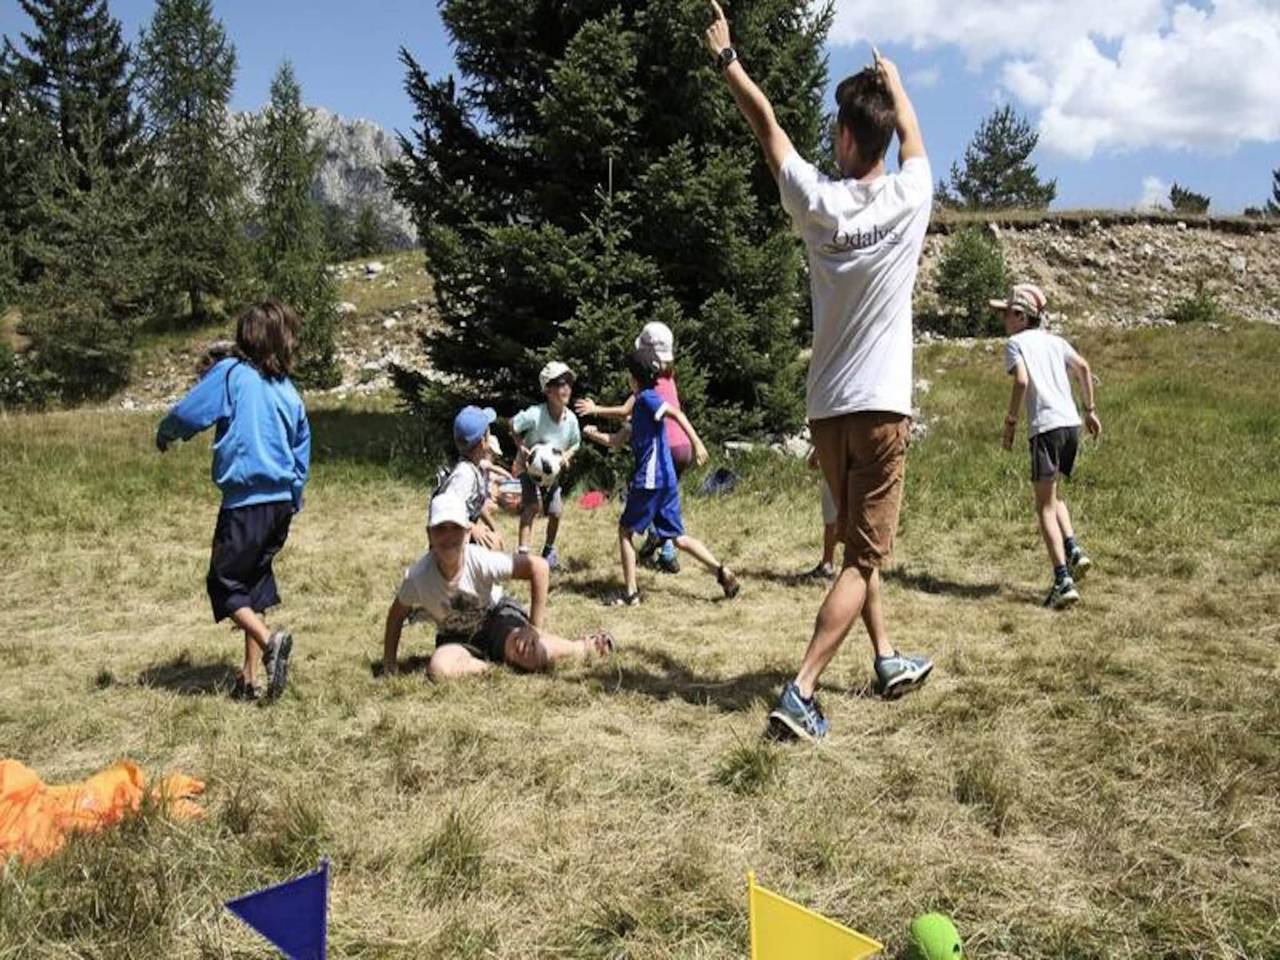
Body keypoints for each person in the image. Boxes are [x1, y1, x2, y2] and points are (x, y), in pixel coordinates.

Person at [704, 1, 933, 741]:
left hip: (827, 410)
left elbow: (767, 127)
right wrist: (895, 83)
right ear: (882, 135)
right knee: (863, 559)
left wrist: (728, 60)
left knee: (860, 548)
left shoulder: (817, 203)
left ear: (844, 138)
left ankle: (886, 658)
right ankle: (801, 690)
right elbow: (914, 140)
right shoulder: (912, 195)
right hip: (883, 409)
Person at [155, 301, 310, 702]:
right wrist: (293, 497)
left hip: (245, 503)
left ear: (247, 336)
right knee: (253, 586)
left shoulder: (230, 374)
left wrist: (166, 432)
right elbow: (301, 450)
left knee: (223, 584)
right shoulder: (288, 391)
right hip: (280, 505)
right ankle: (248, 678)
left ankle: (270, 641)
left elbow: (189, 413)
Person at [381, 492, 614, 680]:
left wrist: (534, 628)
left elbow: (539, 567)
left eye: (455, 528)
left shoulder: (480, 560)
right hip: (454, 638)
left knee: (528, 654)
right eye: (440, 528)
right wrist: (389, 663)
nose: (448, 536)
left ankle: (583, 647)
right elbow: (396, 616)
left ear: (467, 533)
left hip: (496, 619)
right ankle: (491, 666)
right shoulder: (417, 577)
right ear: (429, 534)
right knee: (439, 669)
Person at [583, 351, 740, 605]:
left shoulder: (647, 398)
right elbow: (616, 441)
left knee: (625, 531)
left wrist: (697, 442)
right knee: (678, 538)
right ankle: (722, 572)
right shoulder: (640, 407)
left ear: (633, 379)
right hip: (666, 479)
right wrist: (593, 435)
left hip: (650, 478)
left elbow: (676, 414)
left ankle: (631, 594)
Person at [995, 283, 1100, 609]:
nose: (1003, 319)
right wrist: (1090, 411)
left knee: (1043, 506)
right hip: (1070, 424)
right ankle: (1073, 550)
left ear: (1021, 316)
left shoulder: (1015, 344)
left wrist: (1011, 422)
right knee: (1054, 497)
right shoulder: (1056, 341)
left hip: (1045, 427)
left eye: (1007, 313)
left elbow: (1021, 381)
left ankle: (1062, 581)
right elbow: (1083, 367)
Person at [576, 321, 692, 572]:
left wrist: (595, 409)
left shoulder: (651, 384)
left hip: (665, 448)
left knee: (647, 495)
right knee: (664, 500)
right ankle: (666, 550)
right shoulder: (669, 379)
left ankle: (660, 542)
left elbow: (624, 410)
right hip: (684, 447)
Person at [509, 361, 581, 571]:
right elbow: (512, 424)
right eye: (560, 383)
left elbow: (576, 443)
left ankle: (549, 551)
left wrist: (566, 455)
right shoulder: (535, 414)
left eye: (569, 383)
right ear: (547, 390)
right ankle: (522, 555)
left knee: (556, 512)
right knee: (531, 506)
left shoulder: (571, 420)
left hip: (551, 473)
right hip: (527, 468)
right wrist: (521, 447)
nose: (566, 388)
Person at [435, 405, 510, 551]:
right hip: (449, 545)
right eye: (489, 432)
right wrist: (473, 528)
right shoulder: (465, 474)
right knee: (493, 547)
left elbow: (476, 504)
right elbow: (448, 509)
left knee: (495, 544)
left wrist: (494, 528)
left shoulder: (475, 467)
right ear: (483, 442)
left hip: (460, 537)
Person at [801, 449, 838, 580]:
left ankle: (828, 563)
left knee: (831, 517)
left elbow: (832, 435)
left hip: (837, 465)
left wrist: (817, 452)